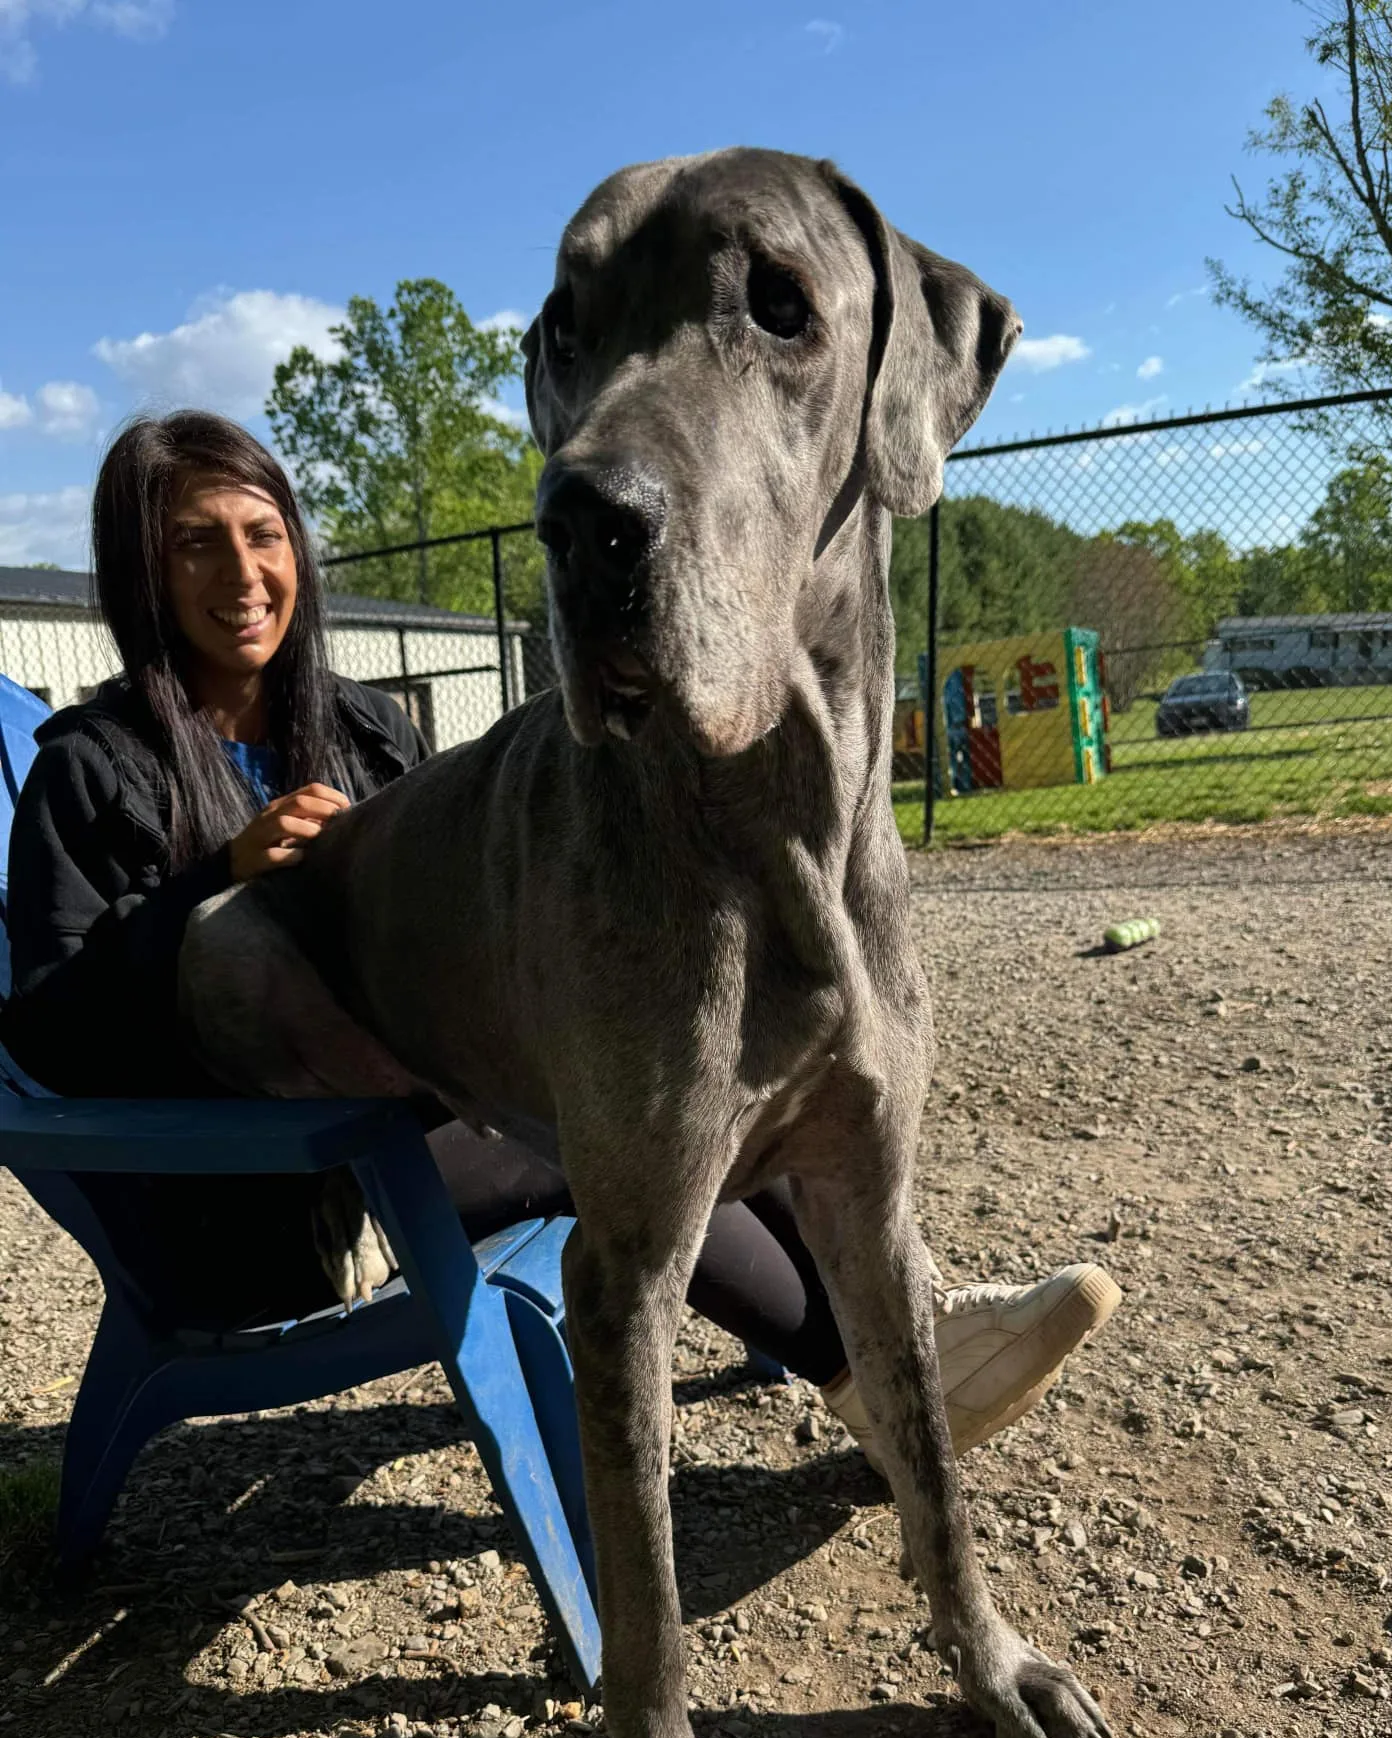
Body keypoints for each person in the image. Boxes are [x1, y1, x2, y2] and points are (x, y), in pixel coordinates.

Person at [1, 410, 1120, 1459]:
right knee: (618, 1128)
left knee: (702, 1074)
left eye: (263, 533)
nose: (242, 574)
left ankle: (904, 1327)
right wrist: (220, 877)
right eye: (196, 544)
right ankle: (872, 1373)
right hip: (281, 1180)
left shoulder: (358, 725)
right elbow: (52, 1029)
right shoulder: (91, 768)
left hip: (432, 1098)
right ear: (142, 570)